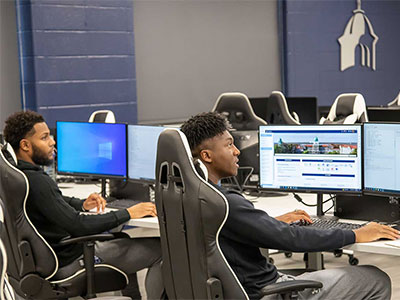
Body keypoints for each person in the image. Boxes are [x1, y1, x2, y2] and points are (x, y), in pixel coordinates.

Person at [180, 111, 398, 300]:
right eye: (229, 145)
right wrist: (355, 235)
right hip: (266, 292)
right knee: (376, 279)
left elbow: (222, 232)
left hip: (231, 290)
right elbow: (291, 239)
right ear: (207, 156)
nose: (237, 151)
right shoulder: (226, 203)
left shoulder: (188, 196)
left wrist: (267, 223)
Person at [3, 111, 163, 300]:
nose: (52, 142)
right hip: (70, 260)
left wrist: (82, 204)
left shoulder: (16, 175)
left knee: (123, 237)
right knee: (160, 249)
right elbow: (79, 225)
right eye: (44, 138)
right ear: (25, 145)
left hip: (44, 260)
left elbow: (53, 202)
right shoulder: (37, 181)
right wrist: (128, 213)